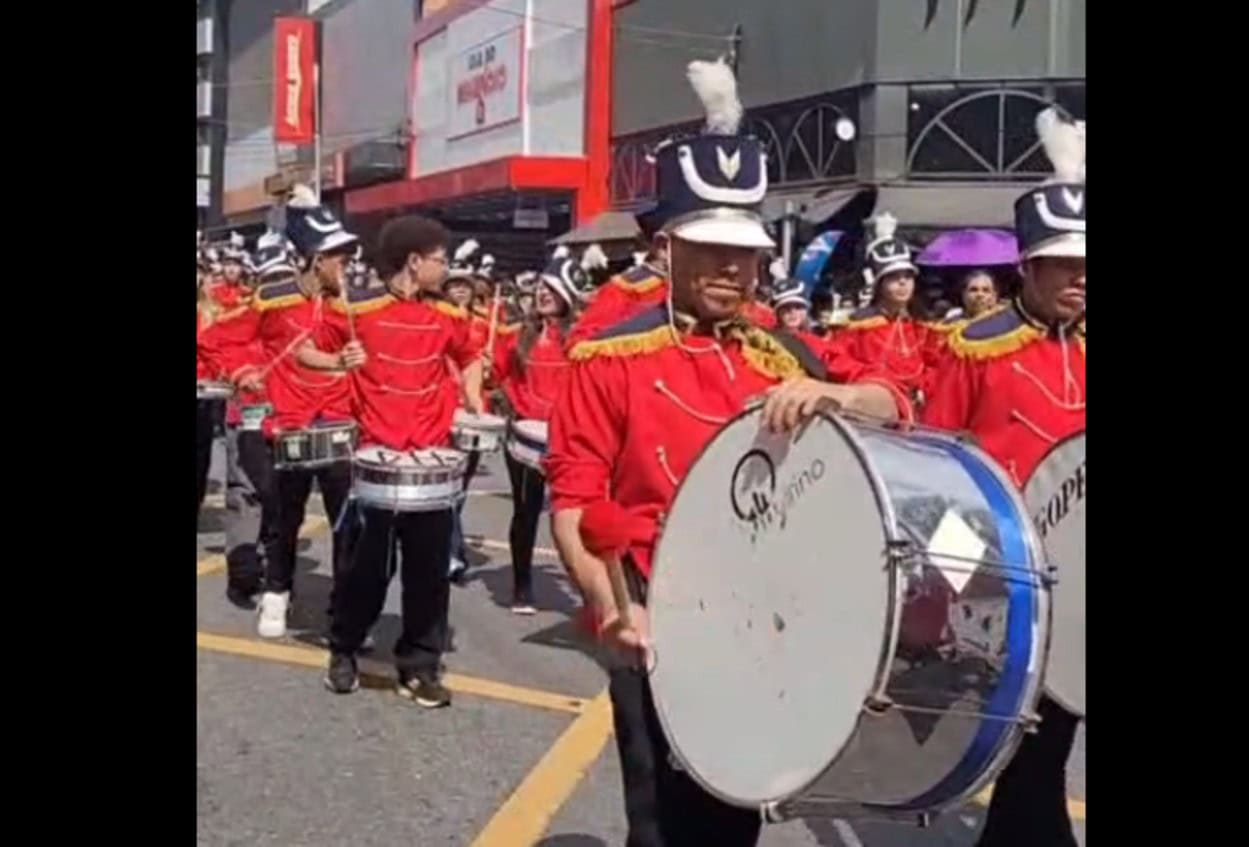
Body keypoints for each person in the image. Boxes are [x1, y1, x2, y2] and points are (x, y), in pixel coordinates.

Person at [546, 58, 910, 847]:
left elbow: (895, 404)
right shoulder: (609, 355)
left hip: (765, 618)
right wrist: (612, 610)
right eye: (709, 249)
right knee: (660, 821)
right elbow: (573, 497)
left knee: (736, 809)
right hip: (653, 607)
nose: (729, 267)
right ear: (664, 247)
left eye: (741, 250)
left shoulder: (785, 349)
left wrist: (838, 396)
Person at [924, 107, 1085, 847]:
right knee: (1030, 745)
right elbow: (936, 463)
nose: (1080, 279)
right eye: (1064, 264)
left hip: (1080, 576)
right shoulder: (973, 347)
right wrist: (952, 587)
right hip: (1006, 577)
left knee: (1045, 746)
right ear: (1027, 266)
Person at [314, 214, 485, 706]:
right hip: (374, 457)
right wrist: (335, 362)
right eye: (440, 260)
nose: (446, 269)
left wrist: (472, 396)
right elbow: (306, 350)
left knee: (429, 572)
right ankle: (344, 649)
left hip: (429, 461)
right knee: (365, 569)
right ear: (414, 262)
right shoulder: (355, 311)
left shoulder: (449, 316)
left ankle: (419, 664)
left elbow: (471, 356)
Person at [213, 187, 360, 638]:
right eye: (340, 257)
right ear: (316, 259)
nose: (348, 266)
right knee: (283, 516)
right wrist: (243, 373)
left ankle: (345, 608)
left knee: (346, 522)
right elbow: (221, 337)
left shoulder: (352, 305)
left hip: (338, 422)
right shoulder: (274, 297)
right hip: (288, 423)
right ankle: (277, 592)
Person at [491, 251, 584, 614]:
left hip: (567, 437)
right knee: (526, 511)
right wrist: (491, 380)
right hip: (525, 434)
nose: (543, 293)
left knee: (573, 515)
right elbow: (496, 373)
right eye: (541, 286)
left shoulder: (580, 338)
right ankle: (521, 585)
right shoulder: (519, 333)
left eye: (552, 288)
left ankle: (586, 585)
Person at [824, 212, 933, 398]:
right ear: (879, 284)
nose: (903, 283)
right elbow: (835, 361)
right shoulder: (856, 325)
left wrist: (924, 385)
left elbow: (935, 365)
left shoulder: (921, 324)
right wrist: (874, 380)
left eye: (907, 277)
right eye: (894, 278)